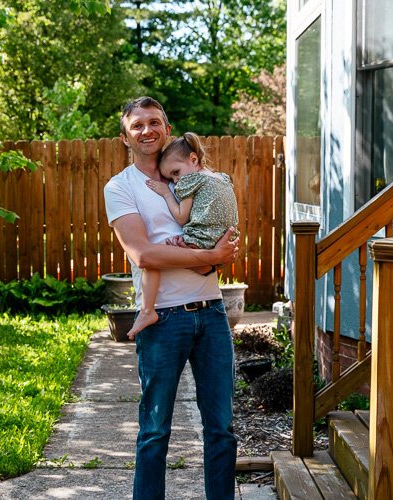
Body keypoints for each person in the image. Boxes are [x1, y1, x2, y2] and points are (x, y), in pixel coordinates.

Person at [103, 96, 239, 500]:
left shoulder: (192, 177)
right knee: (155, 429)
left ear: (166, 126)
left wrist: (219, 253)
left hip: (212, 313)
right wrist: (209, 256)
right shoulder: (121, 187)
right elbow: (143, 254)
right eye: (138, 125)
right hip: (162, 319)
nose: (148, 130)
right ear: (125, 137)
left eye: (155, 122)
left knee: (221, 428)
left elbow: (223, 234)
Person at [126, 132, 239, 339]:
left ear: (193, 159)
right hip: (223, 238)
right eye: (172, 178)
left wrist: (167, 193)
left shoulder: (191, 181)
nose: (176, 181)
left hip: (202, 237)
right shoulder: (221, 178)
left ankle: (147, 311)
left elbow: (180, 217)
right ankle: (204, 263)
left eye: (176, 173)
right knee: (194, 261)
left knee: (154, 258)